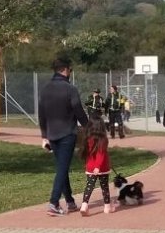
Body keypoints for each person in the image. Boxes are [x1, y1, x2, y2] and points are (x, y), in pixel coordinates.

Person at [38, 57, 89, 216]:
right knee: (62, 168)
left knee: (62, 167)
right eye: (70, 70)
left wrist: (44, 135)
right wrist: (88, 126)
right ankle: (53, 202)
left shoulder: (45, 89)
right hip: (67, 133)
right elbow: (78, 109)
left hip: (52, 134)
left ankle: (70, 202)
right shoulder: (70, 89)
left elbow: (41, 113)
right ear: (65, 70)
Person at [79, 117, 114, 215]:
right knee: (104, 187)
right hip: (102, 167)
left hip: (90, 167)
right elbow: (101, 154)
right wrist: (98, 166)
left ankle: (84, 205)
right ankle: (107, 207)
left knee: (89, 187)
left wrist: (89, 165)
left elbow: (87, 154)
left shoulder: (87, 139)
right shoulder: (103, 140)